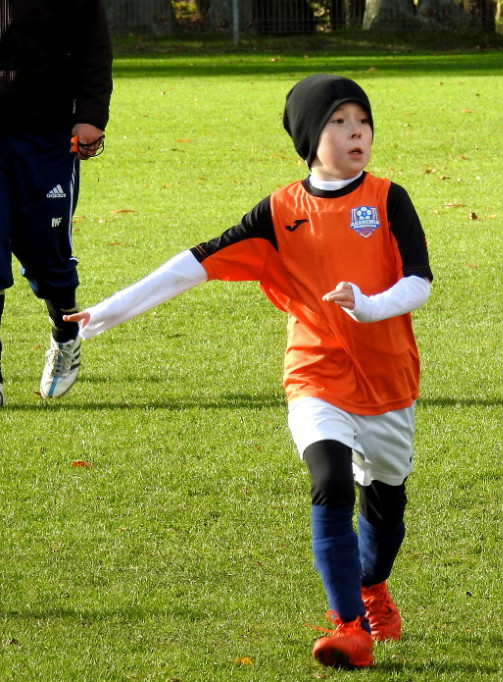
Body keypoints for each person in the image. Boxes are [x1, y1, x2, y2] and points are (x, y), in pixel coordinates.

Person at [66, 74, 433, 669]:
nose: (355, 132)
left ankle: (371, 588)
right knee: (332, 482)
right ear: (311, 138)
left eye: (361, 120)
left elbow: (419, 280)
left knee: (386, 509)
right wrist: (105, 312)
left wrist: (367, 305)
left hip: (389, 379)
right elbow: (192, 264)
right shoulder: (280, 212)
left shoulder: (390, 198)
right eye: (338, 122)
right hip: (315, 373)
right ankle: (349, 627)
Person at [0, 0, 113, 405]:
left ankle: (66, 336)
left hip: (46, 135)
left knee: (47, 256)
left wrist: (92, 114)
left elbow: (94, 48)